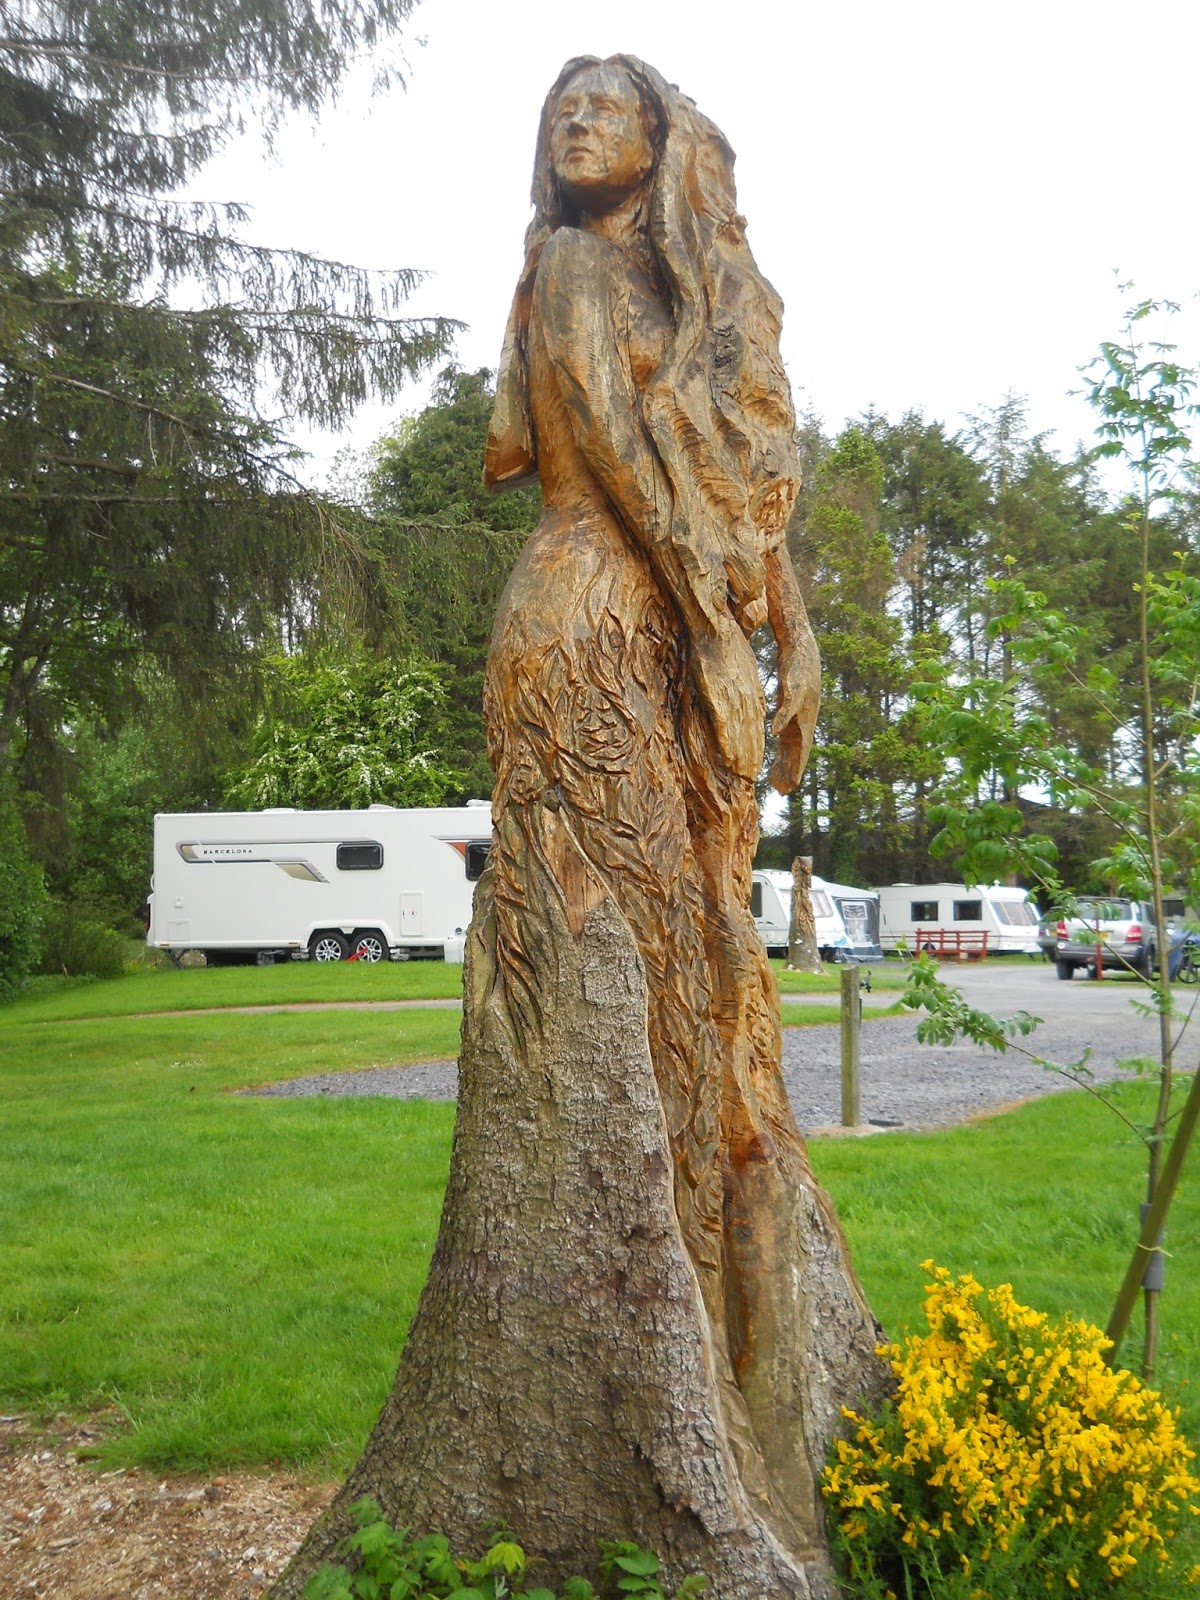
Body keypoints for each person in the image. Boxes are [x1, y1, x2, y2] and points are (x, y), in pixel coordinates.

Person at [483, 55, 855, 1542]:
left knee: (703, 946)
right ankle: (663, 1291)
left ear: (660, 144)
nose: (578, 125)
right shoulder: (569, 264)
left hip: (678, 625)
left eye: (607, 108)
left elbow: (732, 485)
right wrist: (715, 636)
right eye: (560, 110)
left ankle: (722, 1302)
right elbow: (613, 445)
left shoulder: (695, 293)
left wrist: (790, 624)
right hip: (589, 614)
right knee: (628, 957)